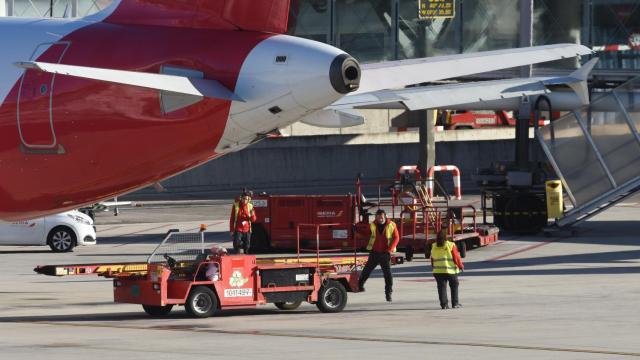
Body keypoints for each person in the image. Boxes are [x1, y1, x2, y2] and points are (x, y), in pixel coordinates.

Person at [358, 209, 399, 302]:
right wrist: (356, 230)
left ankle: (388, 293)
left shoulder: (392, 225)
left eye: (381, 217)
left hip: (385, 254)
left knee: (388, 275)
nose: (380, 219)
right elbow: (366, 233)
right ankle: (360, 285)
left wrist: (389, 250)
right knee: (366, 271)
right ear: (376, 217)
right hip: (374, 252)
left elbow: (397, 238)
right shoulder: (372, 225)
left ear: (384, 216)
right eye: (378, 217)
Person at [430, 230, 464, 309]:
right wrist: (461, 266)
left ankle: (444, 305)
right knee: (454, 285)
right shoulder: (451, 245)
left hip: (438, 271)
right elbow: (456, 257)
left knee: (441, 287)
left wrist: (433, 267)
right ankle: (455, 303)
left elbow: (432, 259)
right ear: (446, 237)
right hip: (450, 271)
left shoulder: (433, 246)